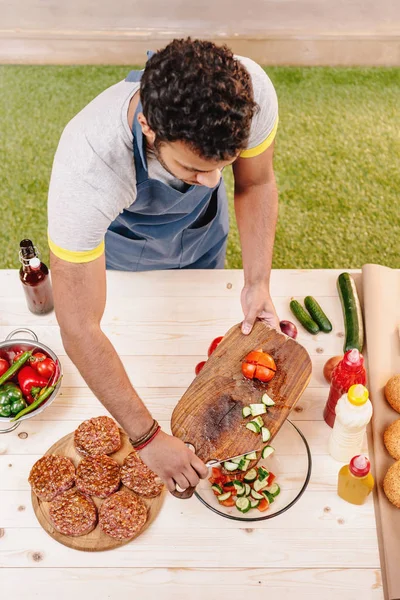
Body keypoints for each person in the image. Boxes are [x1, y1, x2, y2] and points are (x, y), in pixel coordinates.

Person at [48, 38, 280, 492]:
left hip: (204, 235)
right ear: (149, 127)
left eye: (222, 165)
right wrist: (147, 438)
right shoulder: (90, 165)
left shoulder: (249, 93)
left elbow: (256, 184)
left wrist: (257, 283)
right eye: (194, 169)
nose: (212, 181)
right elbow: (79, 327)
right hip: (128, 249)